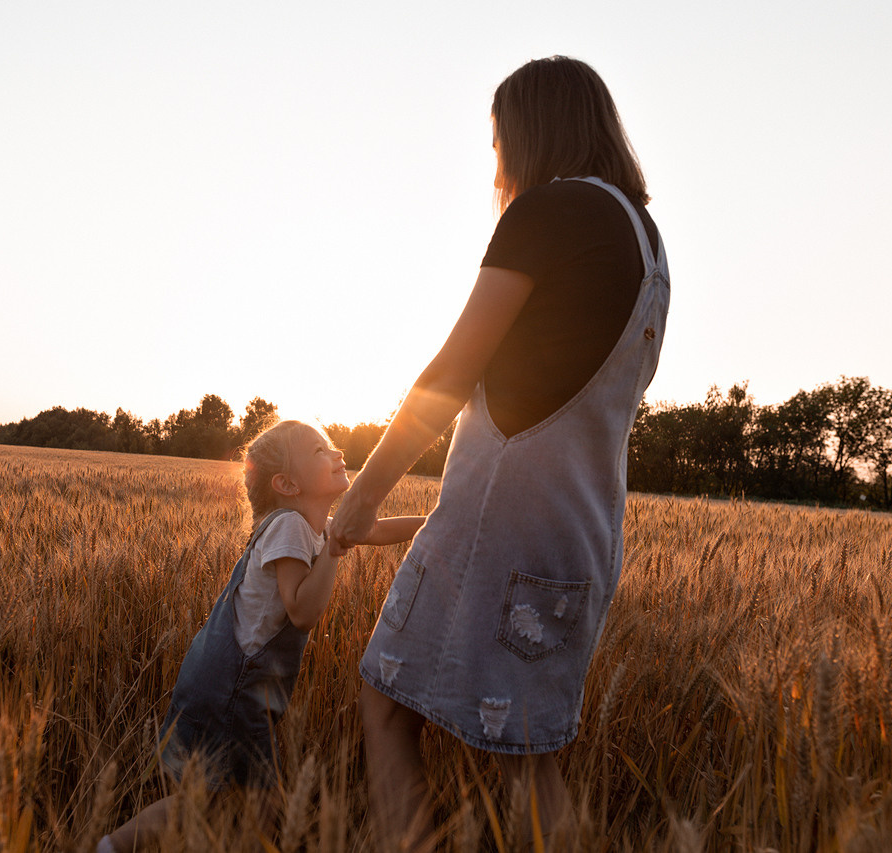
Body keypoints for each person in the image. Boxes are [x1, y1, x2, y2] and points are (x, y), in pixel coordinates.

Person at [329, 55, 670, 850]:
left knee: (383, 698)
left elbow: (452, 371)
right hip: (582, 534)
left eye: (497, 143)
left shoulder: (547, 213)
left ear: (528, 132)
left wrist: (364, 496)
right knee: (526, 752)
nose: (497, 163)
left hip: (501, 526)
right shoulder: (647, 242)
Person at [100, 419, 425, 853]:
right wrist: (332, 551)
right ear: (287, 483)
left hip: (228, 682)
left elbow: (376, 529)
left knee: (212, 802)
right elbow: (302, 611)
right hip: (237, 688)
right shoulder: (289, 526)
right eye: (319, 451)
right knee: (260, 806)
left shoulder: (311, 524)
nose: (337, 453)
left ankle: (112, 847)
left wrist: (435, 522)